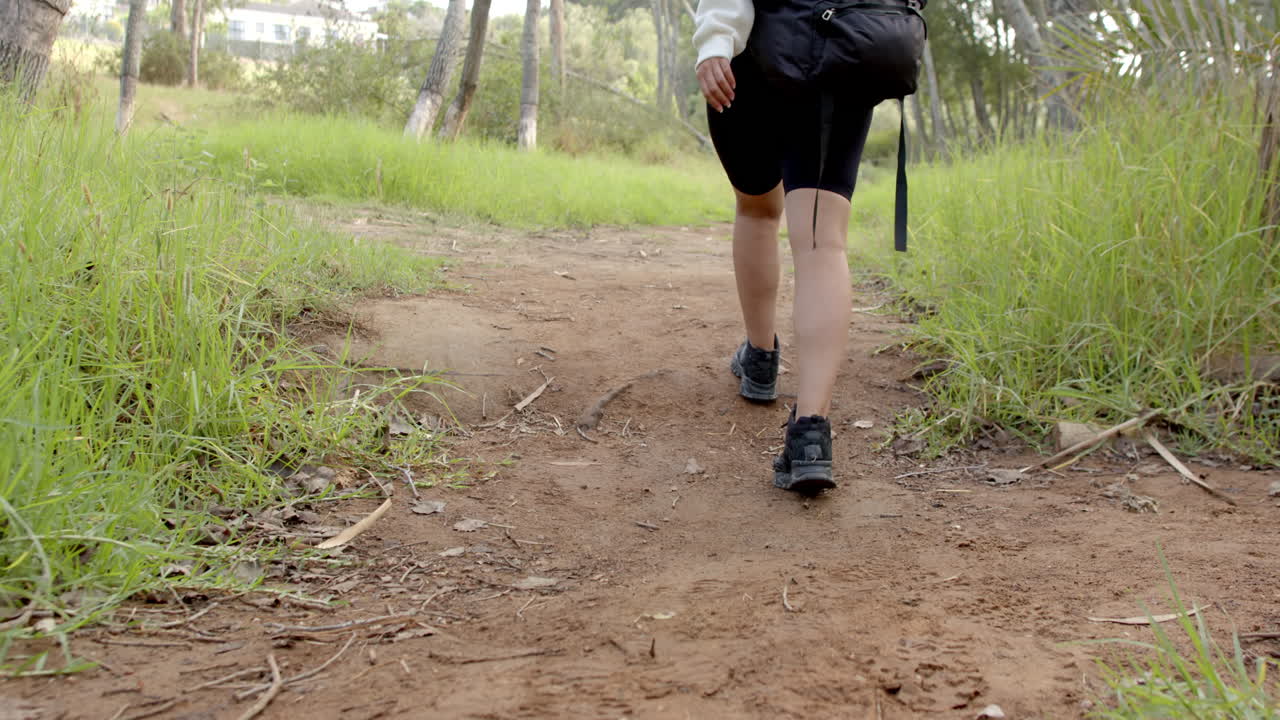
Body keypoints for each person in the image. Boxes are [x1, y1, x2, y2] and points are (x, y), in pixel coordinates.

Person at [694, 0, 876, 495]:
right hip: (845, 51)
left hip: (754, 57)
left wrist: (715, 41)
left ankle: (760, 358)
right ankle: (811, 434)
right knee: (821, 241)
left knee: (757, 208)